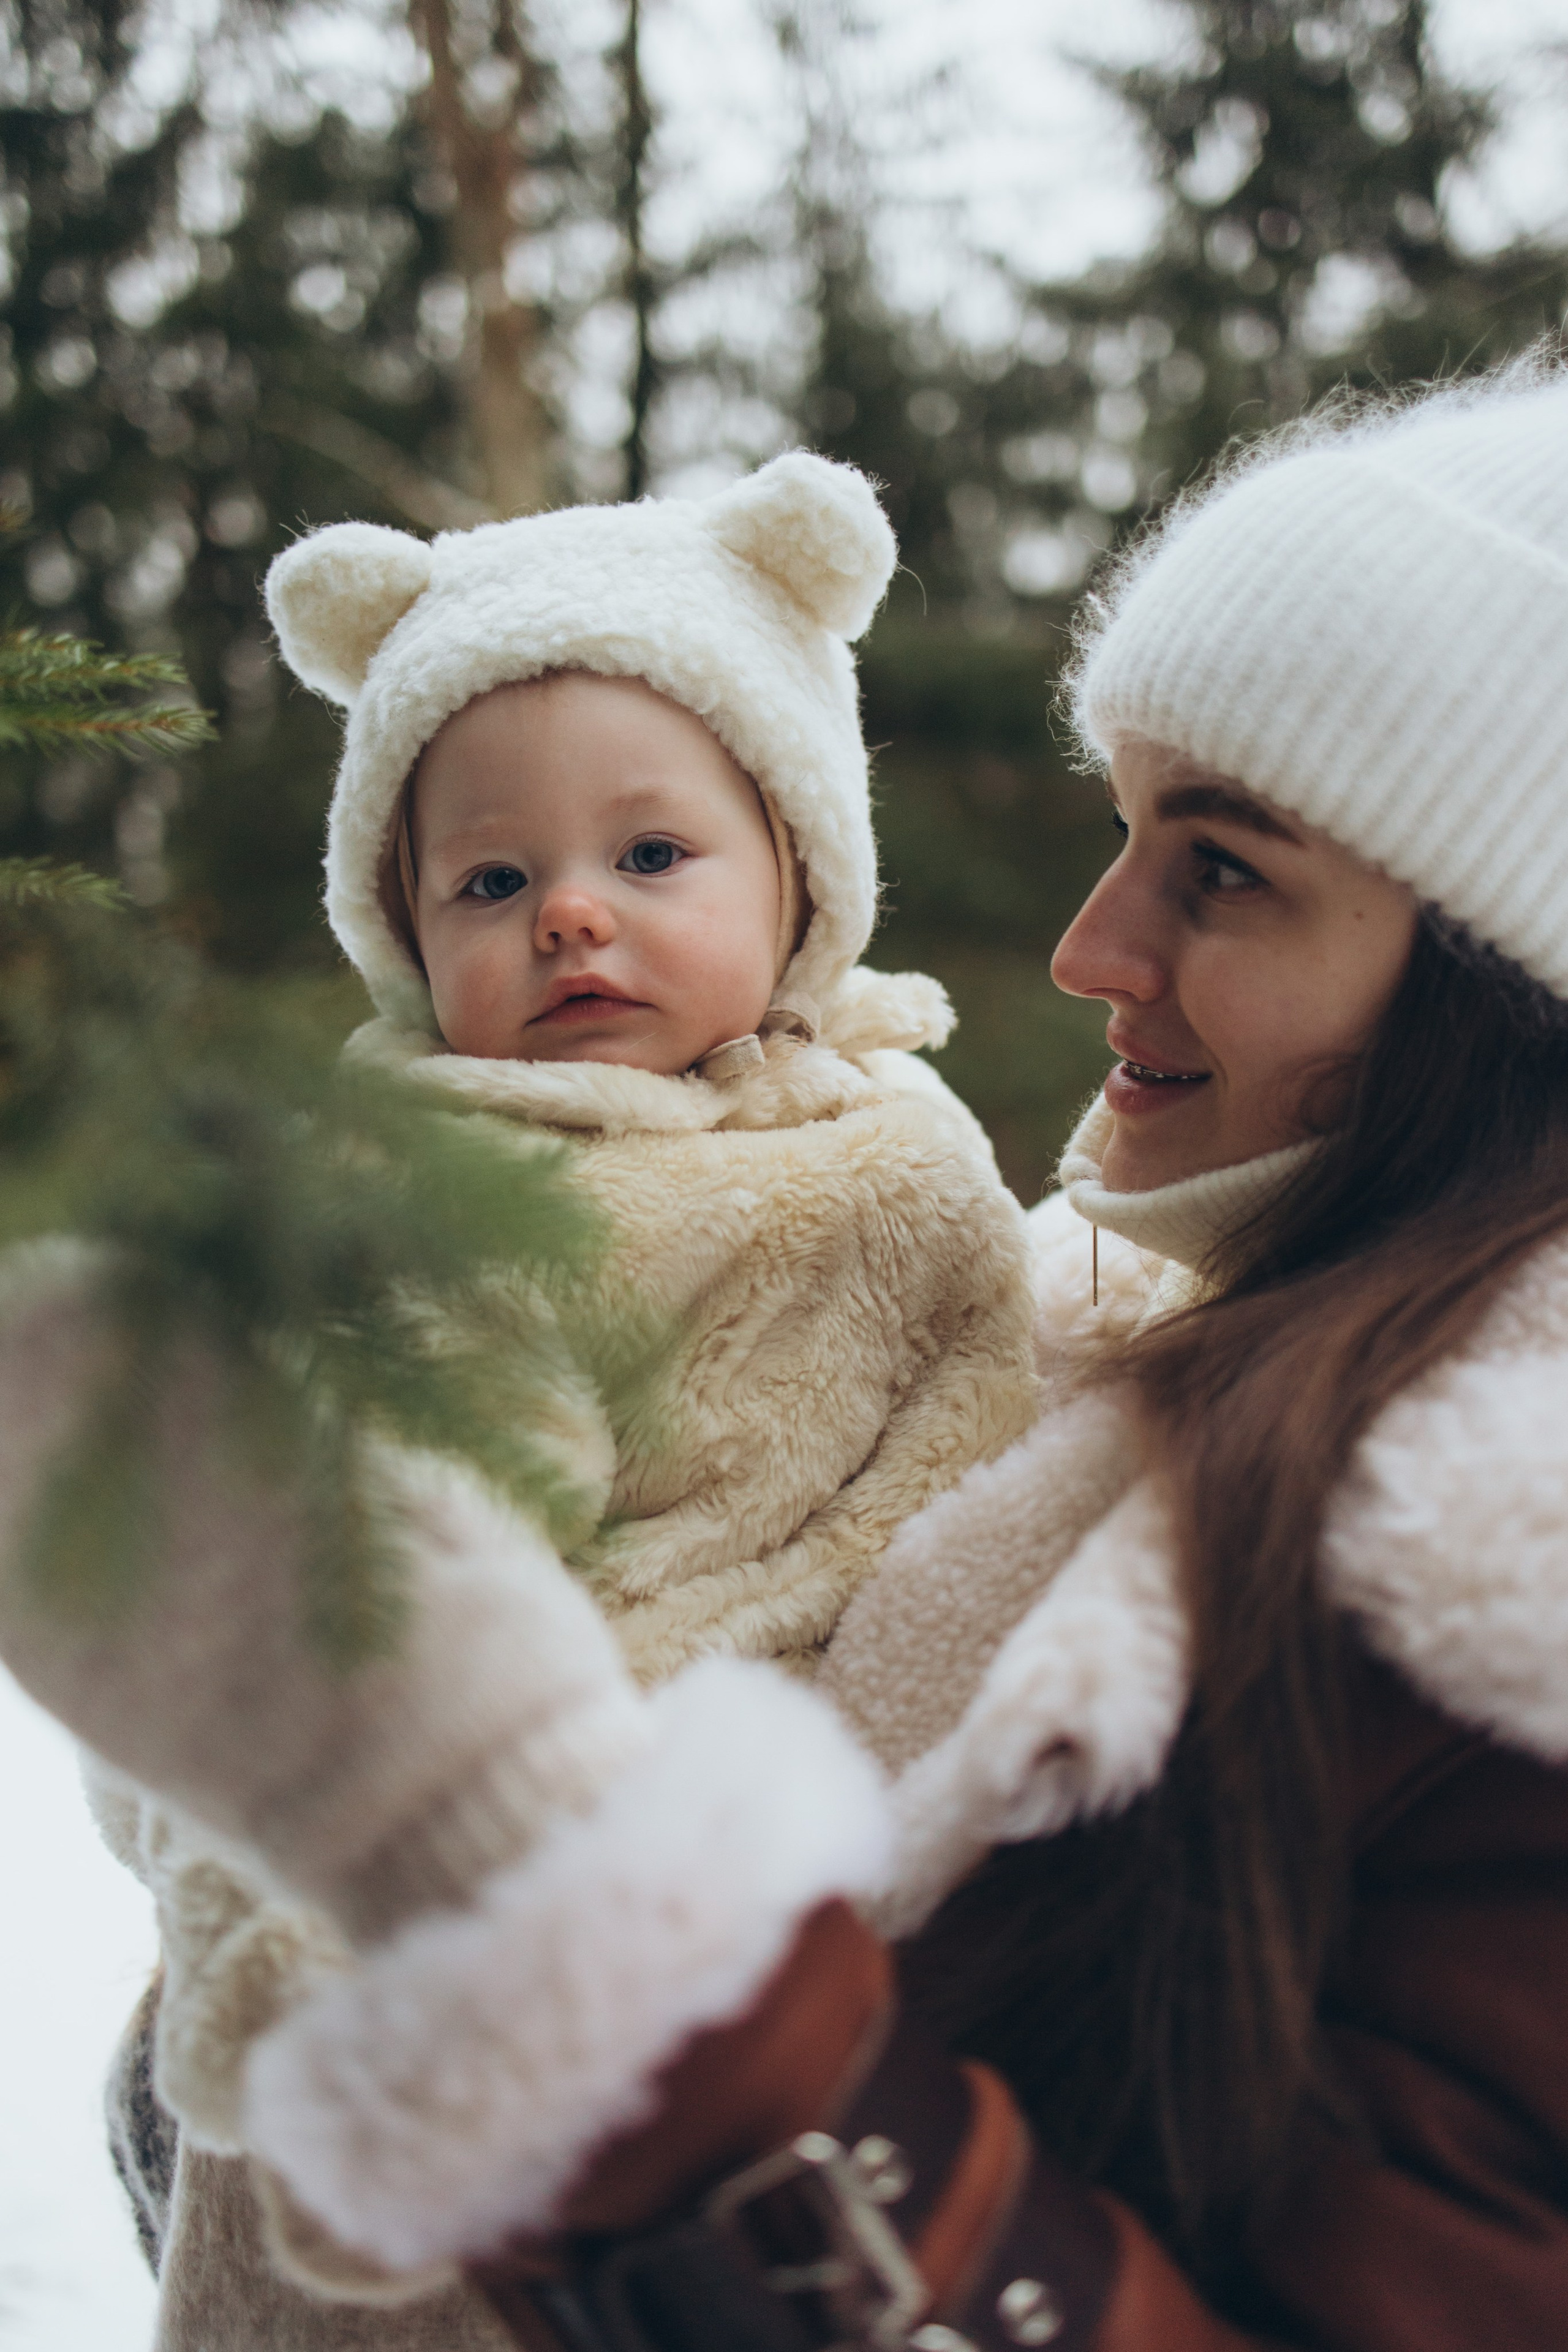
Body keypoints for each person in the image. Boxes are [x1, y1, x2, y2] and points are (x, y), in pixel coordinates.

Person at [7, 353, 1568, 2351]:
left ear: (1503, 980)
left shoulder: (1499, 1616)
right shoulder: (1112, 1324)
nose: (1089, 946)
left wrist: (526, 1876)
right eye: (1126, 832)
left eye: (1225, 865)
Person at [60, 449, 1040, 2348]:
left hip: (774, 1867)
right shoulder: (409, 1188)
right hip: (453, 1818)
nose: (572, 916)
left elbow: (973, 1466)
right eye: (494, 881)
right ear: (408, 938)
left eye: (651, 856)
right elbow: (320, 1536)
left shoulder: (905, 1159)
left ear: (802, 872)